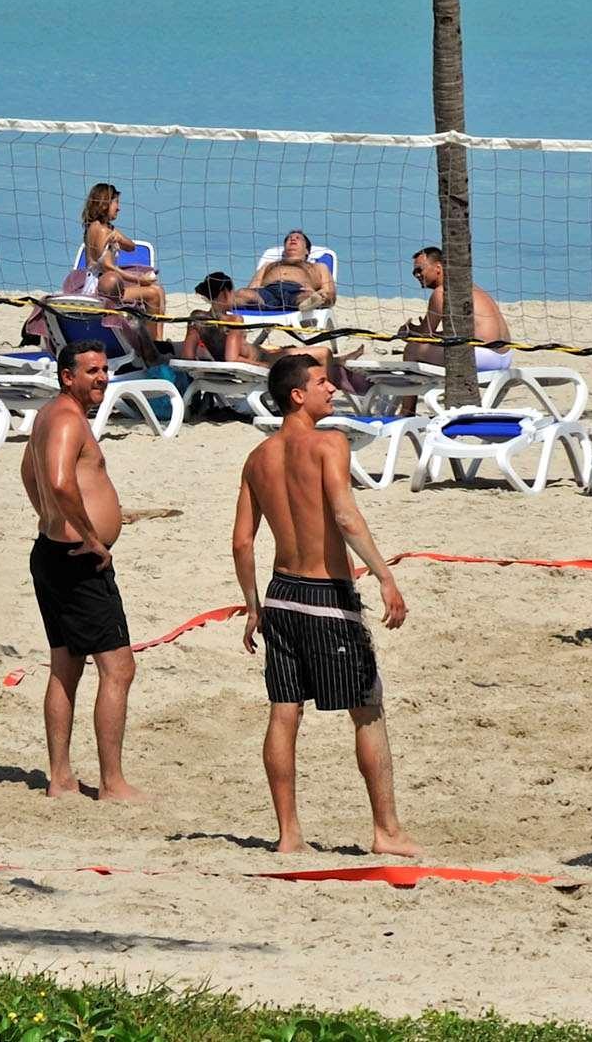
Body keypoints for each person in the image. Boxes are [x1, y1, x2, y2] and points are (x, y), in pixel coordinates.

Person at [233, 352, 415, 857]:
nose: (331, 389)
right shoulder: (329, 444)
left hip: (280, 595)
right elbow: (344, 514)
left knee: (284, 712)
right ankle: (386, 831)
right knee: (368, 710)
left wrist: (252, 606)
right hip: (325, 597)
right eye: (321, 382)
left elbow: (242, 544)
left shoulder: (257, 458)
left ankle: (289, 834)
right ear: (297, 395)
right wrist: (385, 577)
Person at [21, 345, 148, 800]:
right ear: (66, 376)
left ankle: (61, 778)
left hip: (54, 554)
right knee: (119, 669)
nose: (102, 377)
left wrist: (49, 519)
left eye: (105, 369)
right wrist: (90, 535)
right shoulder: (68, 419)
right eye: (91, 371)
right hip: (79, 561)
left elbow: (28, 472)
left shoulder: (49, 415)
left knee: (65, 666)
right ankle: (112, 782)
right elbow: (56, 480)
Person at [402, 245, 511, 373]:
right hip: (505, 357)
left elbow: (424, 335)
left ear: (438, 267)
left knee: (412, 349)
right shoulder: (471, 287)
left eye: (419, 270)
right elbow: (459, 333)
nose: (417, 275)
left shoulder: (441, 292)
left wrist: (408, 331)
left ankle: (407, 393)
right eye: (414, 272)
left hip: (481, 357)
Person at [76, 182, 168, 327]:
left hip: (106, 284)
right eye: (116, 203)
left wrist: (119, 238)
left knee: (158, 290)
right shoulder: (100, 230)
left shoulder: (104, 227)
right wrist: (139, 279)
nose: (119, 208)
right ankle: (155, 342)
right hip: (99, 289)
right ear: (105, 204)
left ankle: (158, 340)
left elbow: (131, 247)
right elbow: (108, 267)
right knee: (154, 293)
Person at [181, 272, 266, 365]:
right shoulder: (234, 320)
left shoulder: (197, 318)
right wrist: (261, 364)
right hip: (258, 358)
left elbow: (187, 356)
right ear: (225, 292)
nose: (234, 296)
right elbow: (232, 359)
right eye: (233, 292)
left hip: (226, 362)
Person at [244, 230, 337, 313]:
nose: (292, 239)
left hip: (298, 291)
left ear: (307, 251)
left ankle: (307, 304)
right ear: (284, 251)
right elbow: (252, 287)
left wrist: (323, 296)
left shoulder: (319, 267)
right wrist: (247, 295)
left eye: (298, 238)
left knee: (308, 297)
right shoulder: (268, 265)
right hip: (267, 293)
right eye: (289, 239)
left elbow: (330, 293)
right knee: (243, 293)